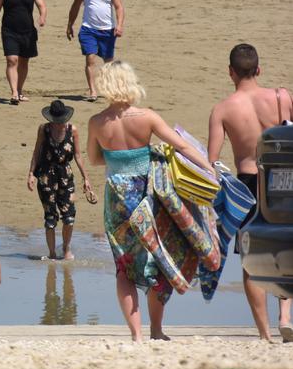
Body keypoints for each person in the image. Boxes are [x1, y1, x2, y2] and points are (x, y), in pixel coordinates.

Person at [87, 61, 213, 341]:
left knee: (124, 265)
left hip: (116, 198)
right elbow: (181, 145)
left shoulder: (96, 122)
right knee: (158, 256)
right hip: (147, 195)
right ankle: (156, 330)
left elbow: (95, 159)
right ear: (130, 82)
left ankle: (136, 335)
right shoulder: (147, 117)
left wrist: (116, 156)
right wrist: (208, 168)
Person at [206, 42, 293, 341]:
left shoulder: (222, 110)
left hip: (247, 183)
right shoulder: (282, 97)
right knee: (287, 246)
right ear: (259, 70)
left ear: (231, 72)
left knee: (252, 259)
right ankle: (286, 317)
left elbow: (212, 160)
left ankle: (264, 334)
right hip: (283, 178)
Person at [28, 100, 94, 261]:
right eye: (55, 121)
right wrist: (31, 173)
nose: (59, 124)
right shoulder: (44, 129)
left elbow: (78, 155)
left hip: (66, 174)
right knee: (50, 217)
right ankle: (51, 253)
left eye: (61, 121)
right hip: (46, 176)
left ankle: (66, 248)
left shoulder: (73, 130)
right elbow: (36, 151)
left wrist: (86, 178)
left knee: (69, 216)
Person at [65, 0, 123, 100]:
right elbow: (76, 6)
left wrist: (119, 25)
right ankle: (93, 91)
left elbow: (118, 7)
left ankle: (111, 89)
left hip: (107, 30)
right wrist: (70, 25)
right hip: (88, 29)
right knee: (90, 58)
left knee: (108, 61)